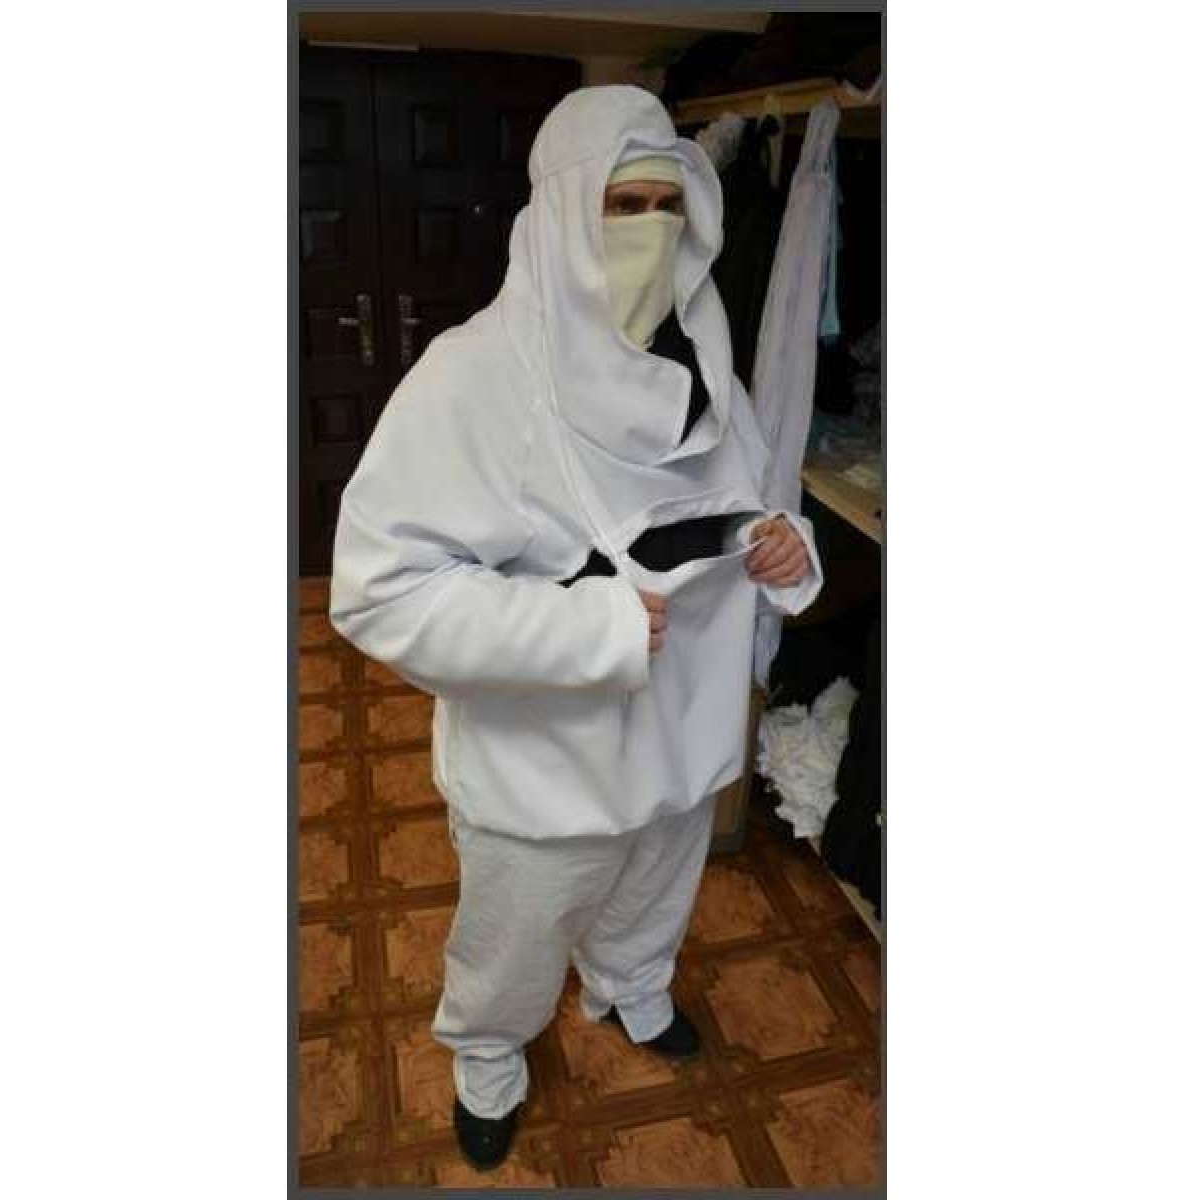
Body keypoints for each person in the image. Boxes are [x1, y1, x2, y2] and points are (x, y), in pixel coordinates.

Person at [329, 84, 823, 1171]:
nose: (650, 231)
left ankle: (630, 982)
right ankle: (488, 1047)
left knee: (656, 886)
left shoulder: (704, 363)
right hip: (547, 757)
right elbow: (378, 589)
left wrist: (781, 546)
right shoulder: (473, 377)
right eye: (621, 206)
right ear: (560, 213)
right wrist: (587, 630)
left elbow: (742, 504)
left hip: (682, 726)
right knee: (518, 927)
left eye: (666, 205)